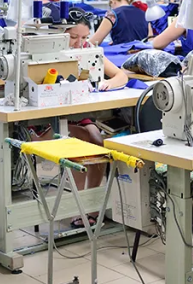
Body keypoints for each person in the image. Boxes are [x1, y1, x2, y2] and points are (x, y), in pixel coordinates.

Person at [64, 11, 129, 227]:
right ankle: (77, 207)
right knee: (78, 145)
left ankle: (90, 204)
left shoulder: (88, 50)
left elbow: (121, 75)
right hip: (52, 115)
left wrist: (108, 84)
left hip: (81, 112)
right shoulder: (51, 52)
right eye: (74, 37)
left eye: (84, 37)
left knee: (98, 143)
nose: (79, 43)